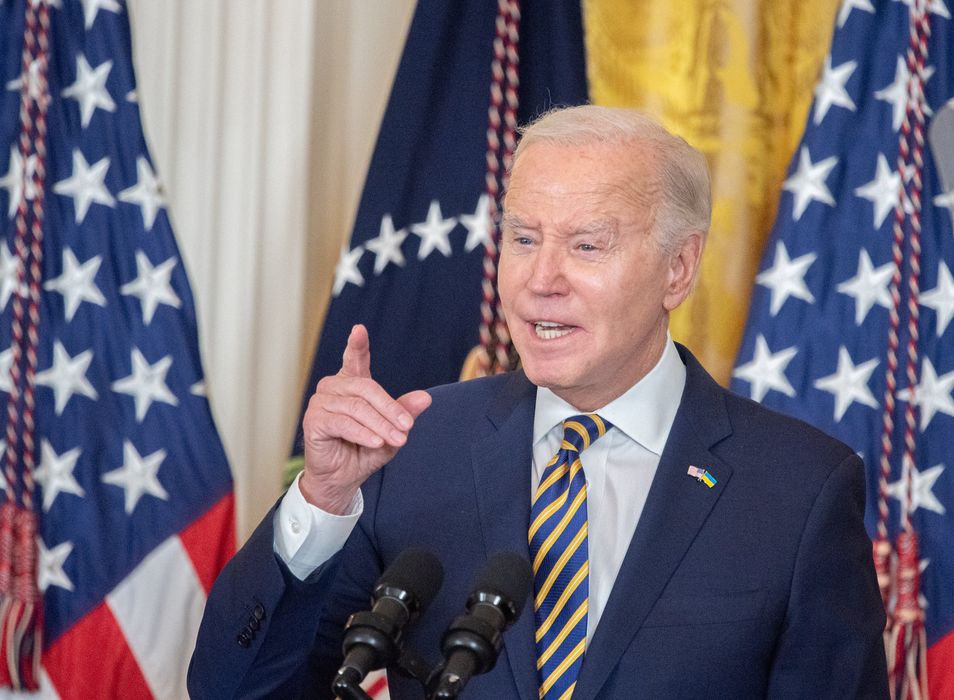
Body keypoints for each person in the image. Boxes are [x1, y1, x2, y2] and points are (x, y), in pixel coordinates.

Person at [188, 105, 887, 699]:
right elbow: (234, 690)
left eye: (585, 245)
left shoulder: (799, 489)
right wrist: (321, 500)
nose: (541, 280)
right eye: (523, 239)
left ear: (678, 268)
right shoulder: (411, 447)